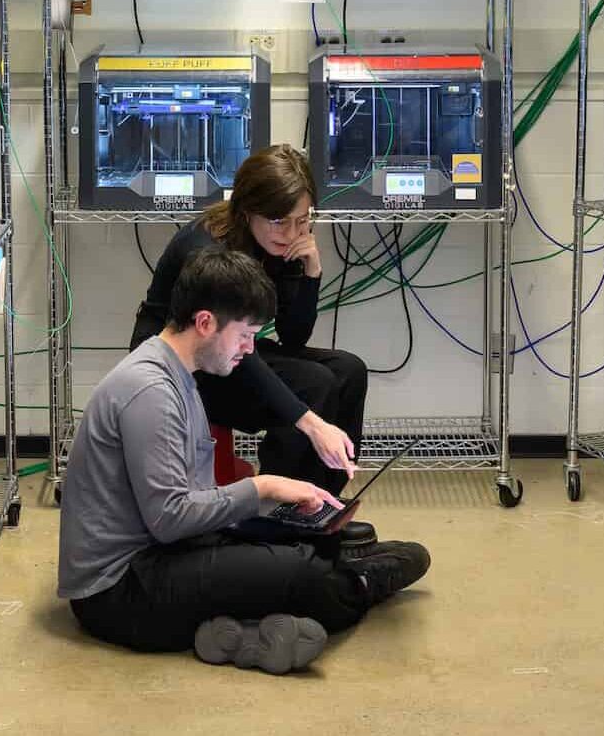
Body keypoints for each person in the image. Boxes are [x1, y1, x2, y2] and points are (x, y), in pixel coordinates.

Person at [61, 246, 431, 674]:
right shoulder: (151, 393)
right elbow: (170, 517)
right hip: (120, 593)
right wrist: (264, 487)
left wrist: (266, 514)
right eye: (244, 335)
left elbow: (187, 508)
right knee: (304, 572)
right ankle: (359, 584)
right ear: (205, 323)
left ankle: (238, 629)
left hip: (161, 555)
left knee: (299, 546)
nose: (249, 349)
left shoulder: (174, 374)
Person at [131, 145, 373, 537]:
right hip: (185, 370)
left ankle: (319, 509)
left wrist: (311, 271)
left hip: (230, 353)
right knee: (315, 385)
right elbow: (240, 357)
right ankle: (276, 515)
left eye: (302, 221)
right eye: (279, 221)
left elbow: (293, 337)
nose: (292, 233)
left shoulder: (282, 243)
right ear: (247, 210)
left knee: (348, 370)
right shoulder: (207, 249)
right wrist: (311, 424)